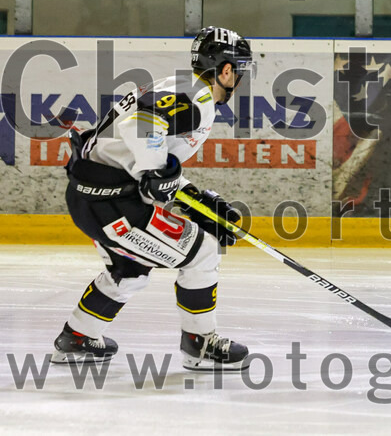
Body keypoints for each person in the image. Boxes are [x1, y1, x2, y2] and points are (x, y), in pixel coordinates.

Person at [53, 26, 254, 371]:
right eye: (238, 71)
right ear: (225, 70)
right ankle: (201, 345)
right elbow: (141, 128)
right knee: (203, 252)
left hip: (91, 197)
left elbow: (146, 158)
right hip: (112, 205)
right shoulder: (199, 98)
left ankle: (78, 337)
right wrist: (156, 172)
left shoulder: (178, 84)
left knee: (130, 270)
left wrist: (196, 201)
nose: (237, 80)